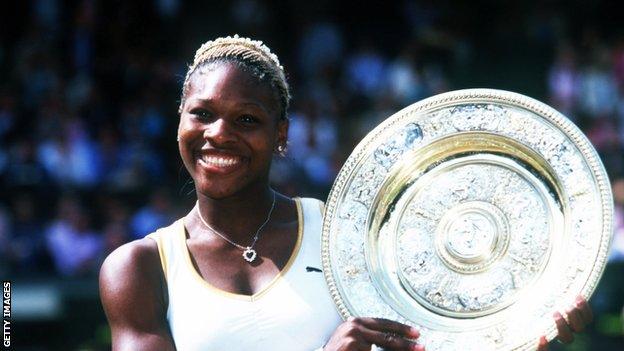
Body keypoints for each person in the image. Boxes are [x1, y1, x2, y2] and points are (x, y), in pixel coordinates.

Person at [99, 35, 592, 351]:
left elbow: (440, 334)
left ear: (282, 135)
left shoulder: (347, 233)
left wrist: (522, 332)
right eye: (202, 114)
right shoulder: (137, 269)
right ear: (179, 122)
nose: (219, 133)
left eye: (247, 119)